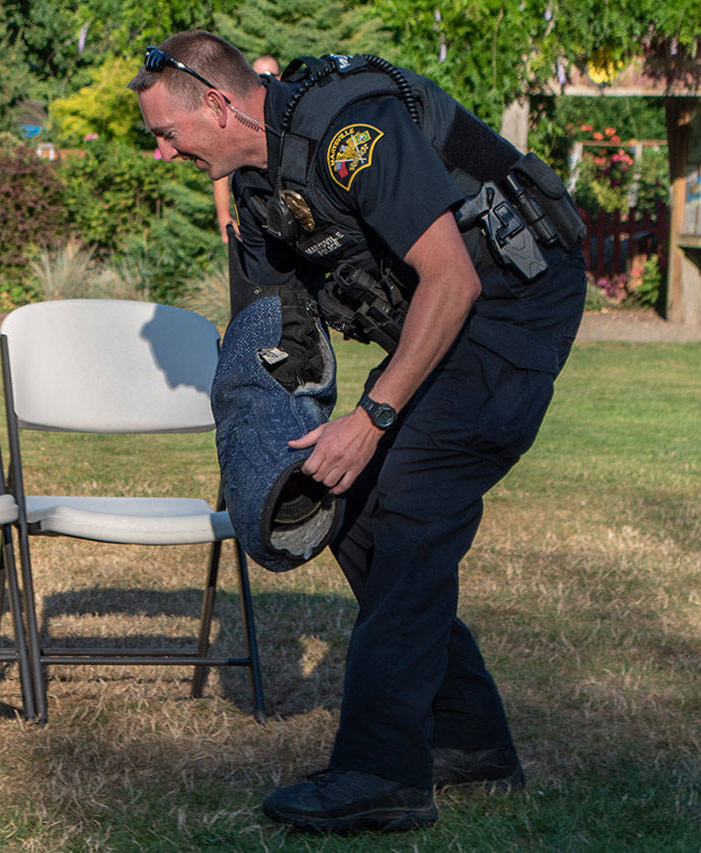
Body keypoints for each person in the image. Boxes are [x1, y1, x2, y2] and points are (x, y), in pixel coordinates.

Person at [130, 31, 585, 833]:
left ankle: (382, 772)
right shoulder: (260, 195)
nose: (161, 155)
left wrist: (372, 418)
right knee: (356, 505)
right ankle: (469, 741)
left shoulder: (350, 134)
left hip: (508, 306)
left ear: (219, 102)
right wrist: (262, 458)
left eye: (167, 134)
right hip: (438, 322)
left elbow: (454, 276)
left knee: (410, 507)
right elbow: (270, 338)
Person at [212, 54, 280, 243]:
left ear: (280, 78)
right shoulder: (239, 121)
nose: (266, 80)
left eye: (271, 75)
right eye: (259, 77)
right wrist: (224, 218)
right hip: (253, 220)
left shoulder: (287, 114)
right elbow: (222, 174)